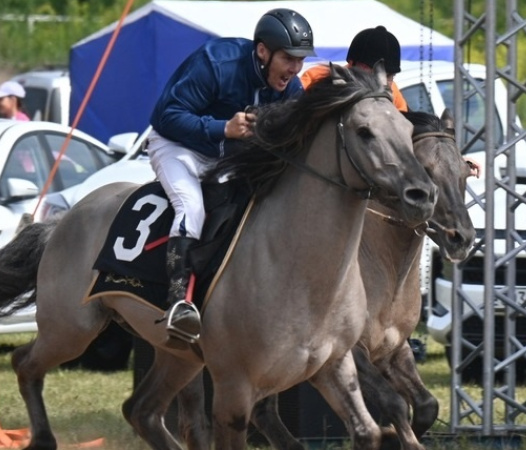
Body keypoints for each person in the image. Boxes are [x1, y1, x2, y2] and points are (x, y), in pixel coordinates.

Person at [147, 8, 315, 343]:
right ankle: (178, 301)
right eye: (288, 58)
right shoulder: (216, 63)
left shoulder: (290, 89)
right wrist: (223, 128)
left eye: (300, 59)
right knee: (191, 208)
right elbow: (165, 116)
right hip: (178, 147)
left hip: (224, 158)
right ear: (263, 50)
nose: (294, 69)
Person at [300, 26, 481, 178]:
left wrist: (453, 160)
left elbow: (414, 138)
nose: (383, 82)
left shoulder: (392, 93)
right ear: (352, 64)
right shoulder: (316, 79)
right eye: (375, 72)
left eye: (390, 76)